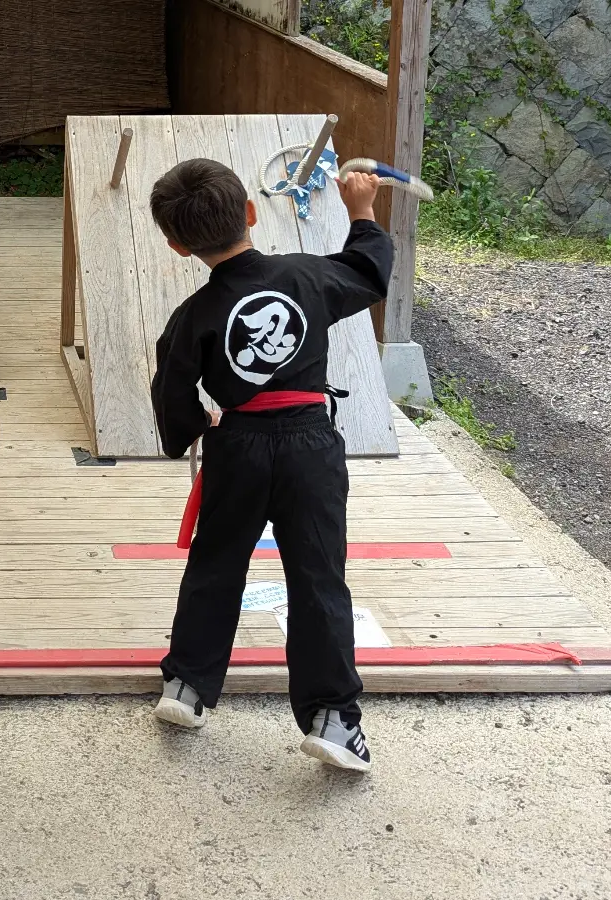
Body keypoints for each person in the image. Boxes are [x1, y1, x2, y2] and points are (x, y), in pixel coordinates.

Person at [146, 158, 392, 772]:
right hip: (310, 446)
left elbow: (172, 392)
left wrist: (194, 427)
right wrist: (361, 212)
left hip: (239, 448)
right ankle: (334, 719)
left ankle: (187, 686)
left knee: (215, 565)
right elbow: (368, 273)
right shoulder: (306, 276)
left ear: (178, 246)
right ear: (251, 214)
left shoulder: (193, 315)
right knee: (318, 577)